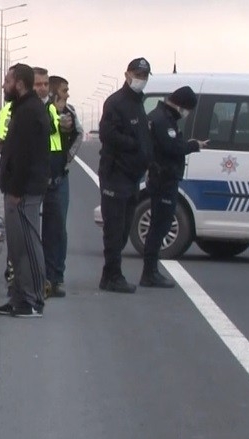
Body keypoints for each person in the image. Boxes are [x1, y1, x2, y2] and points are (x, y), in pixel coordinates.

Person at [0, 63, 51, 318]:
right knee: (17, 248)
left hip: (24, 192)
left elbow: (26, 156)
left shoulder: (30, 111)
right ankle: (18, 297)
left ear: (19, 84)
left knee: (28, 246)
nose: (4, 85)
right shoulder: (22, 109)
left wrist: (16, 189)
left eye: (7, 81)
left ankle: (32, 301)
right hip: (18, 189)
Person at [97, 57, 154, 294]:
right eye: (137, 74)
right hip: (115, 174)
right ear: (127, 74)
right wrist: (133, 144)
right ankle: (113, 275)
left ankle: (109, 274)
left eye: (144, 76)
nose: (141, 79)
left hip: (132, 176)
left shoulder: (139, 103)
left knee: (124, 229)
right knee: (114, 227)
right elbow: (107, 134)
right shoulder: (116, 102)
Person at [142, 86, 206, 288]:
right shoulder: (162, 120)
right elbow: (172, 147)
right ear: (180, 105)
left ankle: (151, 271)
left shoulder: (160, 116)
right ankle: (149, 273)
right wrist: (194, 145)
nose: (186, 114)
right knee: (159, 226)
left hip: (163, 177)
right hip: (163, 179)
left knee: (160, 224)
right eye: (187, 109)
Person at [43, 74, 80, 297]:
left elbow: (78, 134)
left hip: (59, 179)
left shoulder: (70, 112)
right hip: (39, 180)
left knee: (58, 231)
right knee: (38, 231)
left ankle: (56, 277)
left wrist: (67, 159)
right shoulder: (43, 111)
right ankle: (40, 277)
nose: (67, 94)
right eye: (64, 90)